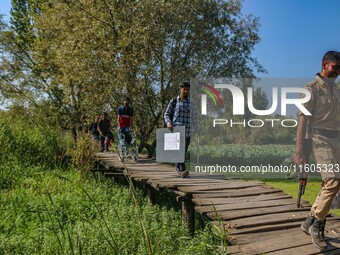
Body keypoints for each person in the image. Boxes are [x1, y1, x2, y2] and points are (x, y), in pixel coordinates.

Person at [297, 51, 340, 250]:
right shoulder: (311, 88)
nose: (338, 71)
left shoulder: (337, 90)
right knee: (333, 181)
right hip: (319, 138)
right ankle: (317, 226)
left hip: (337, 139)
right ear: (324, 65)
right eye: (335, 67)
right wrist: (299, 150)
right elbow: (302, 119)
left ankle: (309, 220)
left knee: (331, 183)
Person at [164, 82, 199, 178]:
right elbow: (166, 114)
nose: (186, 91)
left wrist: (197, 128)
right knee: (179, 150)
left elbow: (195, 116)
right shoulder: (174, 101)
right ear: (180, 89)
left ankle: (179, 169)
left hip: (187, 131)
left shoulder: (192, 102)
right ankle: (182, 170)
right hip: (176, 130)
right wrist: (169, 123)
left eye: (188, 89)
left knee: (183, 152)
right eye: (184, 89)